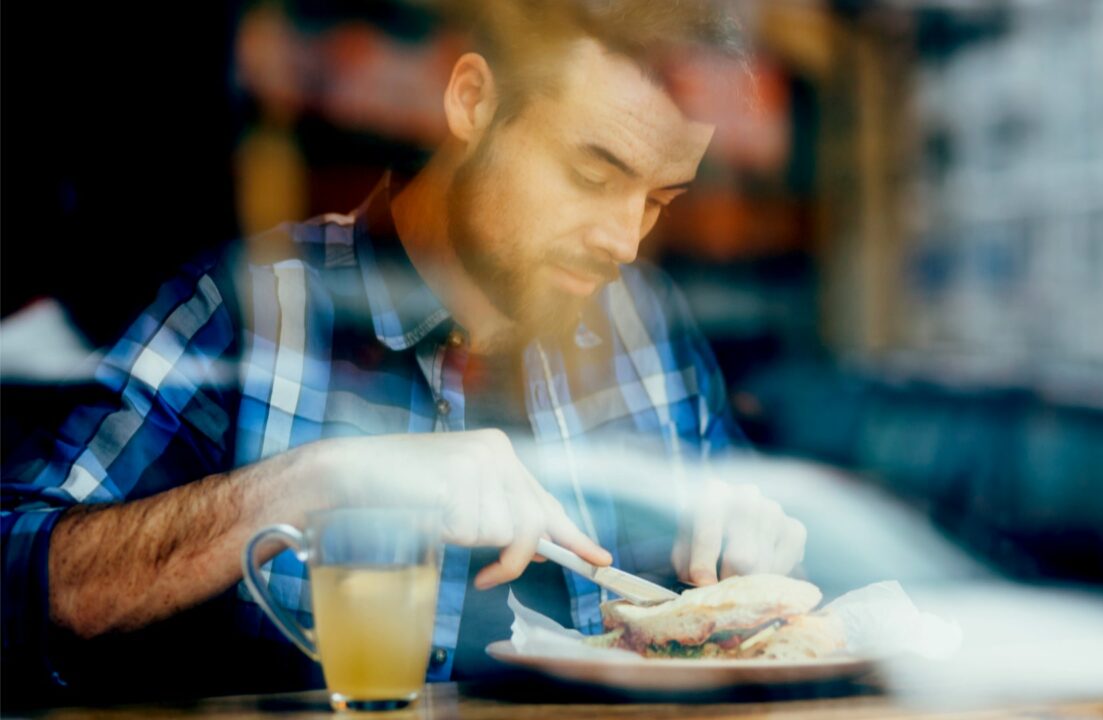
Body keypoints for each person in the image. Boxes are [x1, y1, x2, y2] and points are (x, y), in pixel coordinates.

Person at [1, 0, 807, 700]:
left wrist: (752, 555)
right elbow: (16, 573)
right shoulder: (257, 310)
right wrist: (327, 479)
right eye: (592, 177)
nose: (625, 241)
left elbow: (745, 609)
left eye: (660, 200)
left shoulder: (647, 329)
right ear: (471, 101)